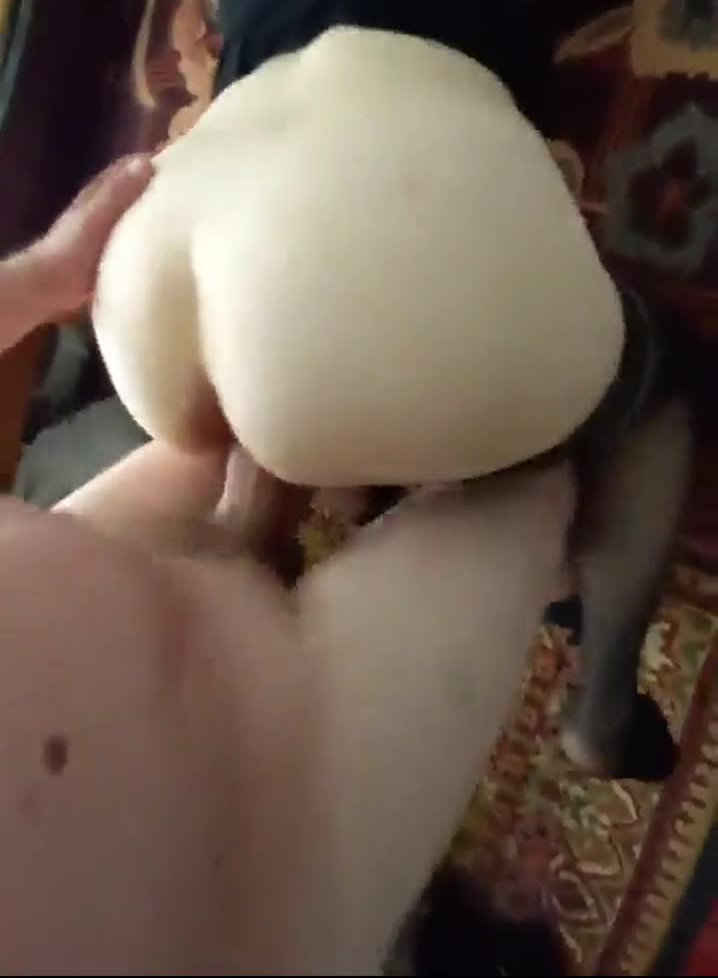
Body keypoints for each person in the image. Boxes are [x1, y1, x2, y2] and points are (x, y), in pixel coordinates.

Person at [0, 156, 575, 973]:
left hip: (97, 558)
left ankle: (277, 501)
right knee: (539, 455)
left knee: (269, 361)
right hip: (275, 835)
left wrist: (40, 277)